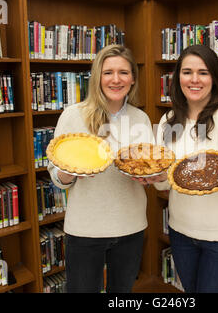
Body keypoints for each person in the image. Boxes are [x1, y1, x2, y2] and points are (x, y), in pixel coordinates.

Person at [149, 45, 218, 293]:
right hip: (180, 232)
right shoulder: (168, 122)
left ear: (214, 77)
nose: (194, 80)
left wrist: (213, 174)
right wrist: (155, 176)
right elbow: (165, 183)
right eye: (187, 72)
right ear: (178, 77)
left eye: (203, 72)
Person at [47, 44, 154, 293]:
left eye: (123, 72)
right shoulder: (73, 116)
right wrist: (71, 171)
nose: (116, 79)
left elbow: (150, 169)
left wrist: (151, 177)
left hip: (131, 226)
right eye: (108, 72)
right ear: (97, 77)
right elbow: (56, 177)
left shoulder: (141, 119)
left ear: (133, 79)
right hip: (86, 229)